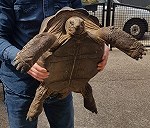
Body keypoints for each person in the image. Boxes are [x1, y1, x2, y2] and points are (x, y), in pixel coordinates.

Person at [0, 0, 109, 128]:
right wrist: (21, 58)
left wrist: (104, 43)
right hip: (21, 83)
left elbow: (85, 22)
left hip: (63, 78)